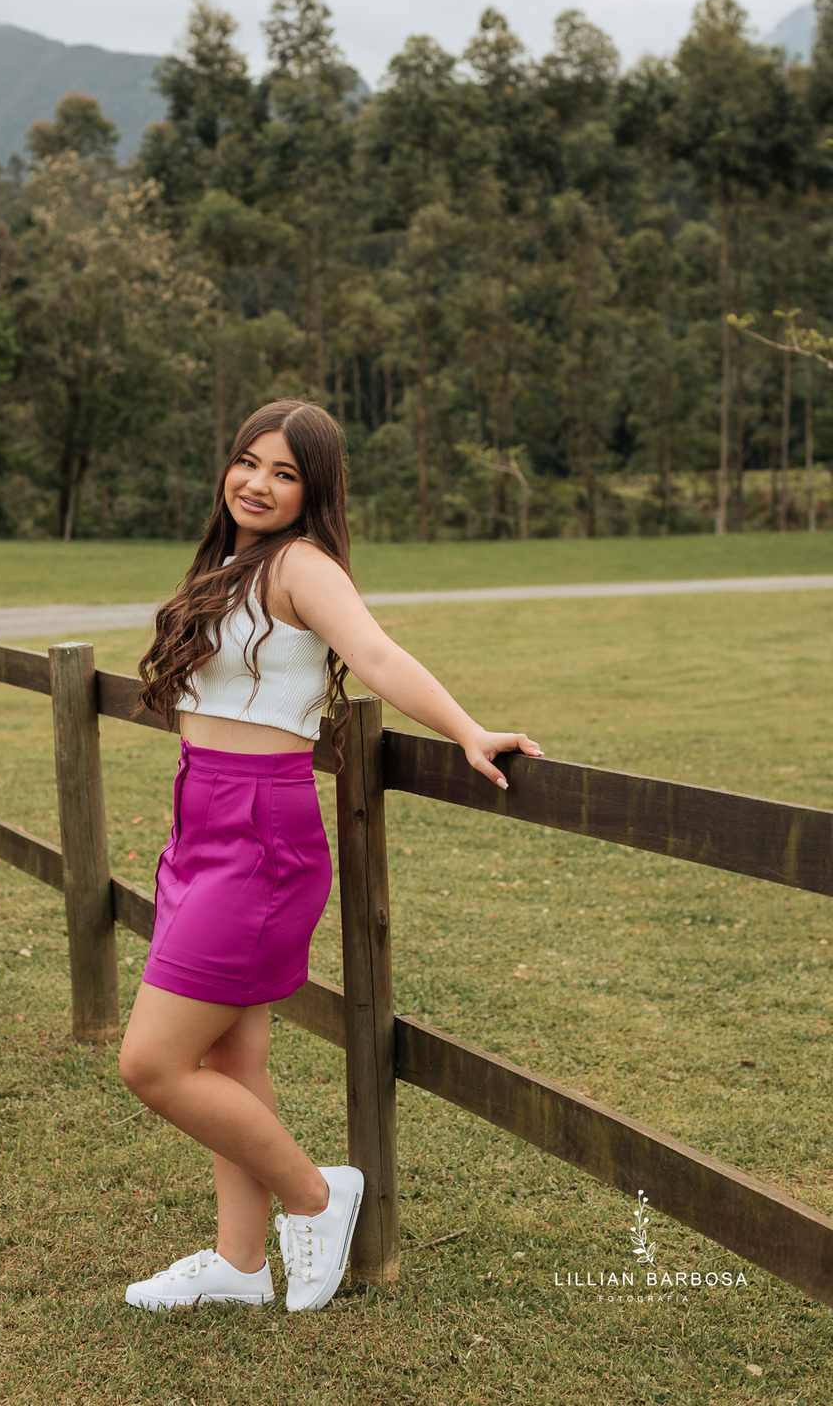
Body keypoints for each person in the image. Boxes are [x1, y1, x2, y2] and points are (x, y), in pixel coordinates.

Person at [120, 399, 541, 1312]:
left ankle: (316, 1196)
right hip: (204, 817)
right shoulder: (230, 565)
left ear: (313, 492)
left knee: (151, 1063)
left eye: (284, 473)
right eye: (247, 461)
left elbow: (377, 657)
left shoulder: (301, 567)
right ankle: (238, 1264)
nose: (257, 483)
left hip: (259, 835)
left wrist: (469, 730)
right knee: (231, 1059)